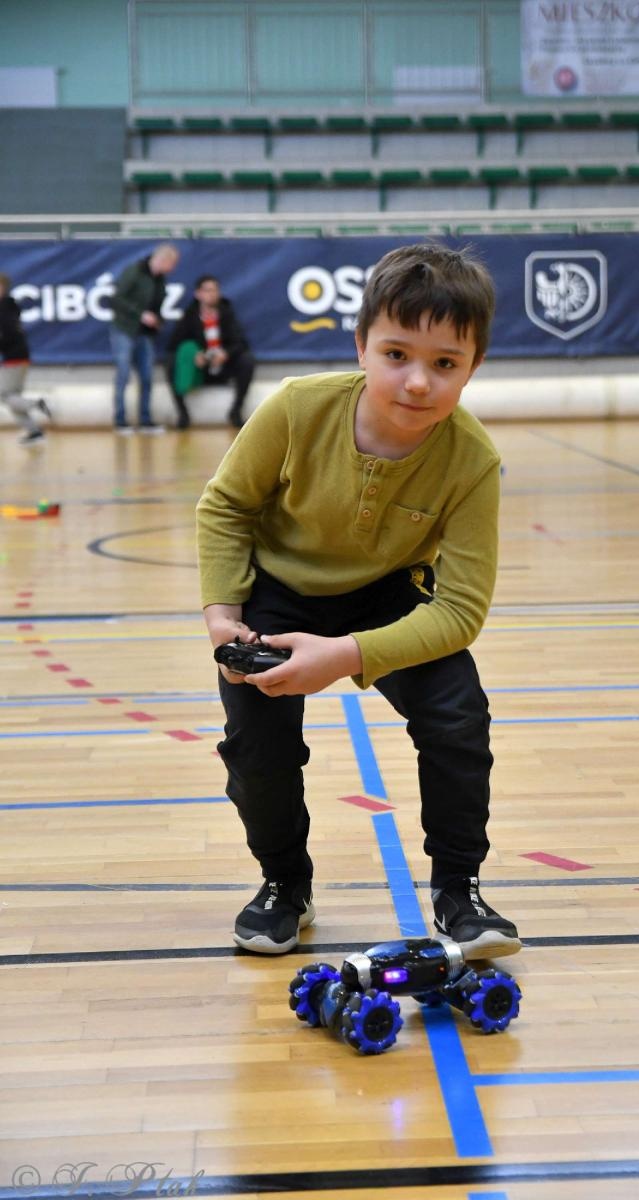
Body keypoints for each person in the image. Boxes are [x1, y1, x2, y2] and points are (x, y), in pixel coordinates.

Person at [196, 242, 520, 961]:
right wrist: (223, 614)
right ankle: (285, 884)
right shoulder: (296, 408)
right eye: (396, 354)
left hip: (389, 596)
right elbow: (225, 506)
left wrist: (344, 656)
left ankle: (459, 889)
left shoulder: (473, 462)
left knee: (458, 718)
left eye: (445, 363)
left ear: (473, 367)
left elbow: (460, 613)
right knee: (258, 741)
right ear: (361, 347)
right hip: (277, 593)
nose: (418, 382)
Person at [166, 275, 255, 429]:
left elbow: (241, 342)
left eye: (215, 290)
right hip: (201, 368)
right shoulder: (190, 316)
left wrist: (226, 354)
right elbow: (175, 344)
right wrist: (194, 355)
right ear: (198, 294)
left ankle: (236, 410)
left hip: (223, 365)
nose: (212, 294)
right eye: (207, 290)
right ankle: (183, 413)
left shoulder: (227, 313)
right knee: (171, 362)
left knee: (247, 360)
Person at [108, 243, 179, 433]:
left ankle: (145, 420)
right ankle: (120, 420)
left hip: (144, 334)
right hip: (124, 329)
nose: (173, 269)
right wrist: (140, 314)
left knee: (147, 376)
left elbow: (156, 307)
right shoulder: (134, 271)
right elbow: (117, 299)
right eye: (172, 264)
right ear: (163, 260)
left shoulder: (160, 280)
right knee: (123, 373)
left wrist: (157, 320)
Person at [0, 273, 50, 445]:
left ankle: (35, 404)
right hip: (16, 356)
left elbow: (8, 334)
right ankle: (34, 432)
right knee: (13, 398)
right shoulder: (9, 307)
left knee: (4, 395)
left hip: (14, 357)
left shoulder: (4, 309)